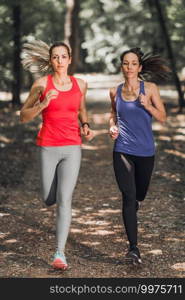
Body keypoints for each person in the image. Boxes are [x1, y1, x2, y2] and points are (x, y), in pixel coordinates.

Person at [20, 40, 93, 270]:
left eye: (64, 56)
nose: (60, 61)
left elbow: (81, 109)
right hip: (48, 146)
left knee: (65, 199)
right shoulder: (41, 84)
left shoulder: (80, 84)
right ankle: (52, 197)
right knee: (48, 197)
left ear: (70, 59)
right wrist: (43, 104)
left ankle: (59, 253)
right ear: (50, 61)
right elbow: (23, 116)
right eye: (55, 57)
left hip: (72, 146)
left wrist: (86, 125)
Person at [109, 47, 170, 264]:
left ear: (139, 67)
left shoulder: (150, 89)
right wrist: (112, 127)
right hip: (122, 150)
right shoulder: (115, 91)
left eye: (133, 63)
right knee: (127, 196)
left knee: (139, 194)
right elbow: (113, 115)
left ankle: (136, 203)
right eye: (126, 63)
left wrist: (147, 106)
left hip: (146, 151)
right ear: (121, 67)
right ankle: (133, 248)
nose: (129, 67)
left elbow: (162, 117)